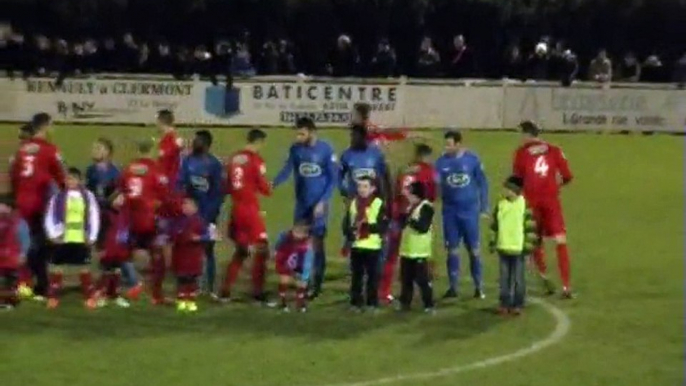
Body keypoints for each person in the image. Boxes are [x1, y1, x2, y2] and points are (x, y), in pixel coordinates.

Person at [272, 117, 336, 299]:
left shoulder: (326, 149)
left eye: (301, 133)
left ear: (311, 132)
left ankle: (316, 284)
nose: (298, 137)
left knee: (316, 244)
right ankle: (301, 281)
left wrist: (323, 201)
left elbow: (333, 179)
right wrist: (273, 183)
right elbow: (287, 169)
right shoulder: (296, 149)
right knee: (298, 244)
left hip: (319, 205)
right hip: (302, 204)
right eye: (297, 133)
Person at [513, 121, 574, 298]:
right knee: (560, 240)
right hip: (551, 201)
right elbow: (568, 176)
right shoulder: (554, 150)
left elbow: (517, 180)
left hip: (531, 202)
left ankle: (544, 277)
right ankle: (566, 286)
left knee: (535, 240)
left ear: (526, 134)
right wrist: (555, 187)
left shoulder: (521, 153)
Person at [10, 113, 66, 299]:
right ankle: (34, 283)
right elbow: (61, 176)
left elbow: (14, 175)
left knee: (31, 242)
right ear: (45, 127)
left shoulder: (22, 150)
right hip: (41, 202)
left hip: (22, 201)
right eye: (51, 126)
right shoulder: (50, 149)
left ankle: (34, 283)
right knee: (40, 245)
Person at [219, 129, 272, 303]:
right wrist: (269, 187)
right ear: (259, 142)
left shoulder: (234, 158)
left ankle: (225, 291)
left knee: (241, 251)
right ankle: (257, 293)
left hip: (236, 209)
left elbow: (226, 185)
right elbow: (265, 189)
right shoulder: (257, 160)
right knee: (262, 249)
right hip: (250, 210)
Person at [435, 131, 489, 299]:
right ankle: (453, 287)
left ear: (458, 144)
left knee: (474, 250)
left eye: (449, 144)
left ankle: (479, 287)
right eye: (446, 144)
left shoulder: (472, 160)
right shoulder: (441, 162)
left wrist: (484, 206)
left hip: (469, 212)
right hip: (450, 212)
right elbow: (436, 185)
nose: (446, 147)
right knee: (452, 250)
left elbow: (482, 183)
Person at [380, 143, 436, 304]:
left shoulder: (404, 170)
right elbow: (432, 195)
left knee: (392, 255)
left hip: (398, 216)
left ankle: (384, 291)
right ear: (425, 156)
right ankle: (424, 293)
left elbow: (394, 192)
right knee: (420, 255)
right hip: (417, 215)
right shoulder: (428, 172)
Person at [85, 138, 141, 299]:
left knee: (114, 251)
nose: (94, 150)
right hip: (97, 215)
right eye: (94, 147)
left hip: (112, 217)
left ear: (107, 152)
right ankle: (108, 283)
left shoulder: (115, 172)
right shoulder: (90, 171)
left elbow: (119, 195)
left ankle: (128, 281)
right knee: (103, 250)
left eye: (98, 148)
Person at [119, 139, 169, 304]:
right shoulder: (156, 170)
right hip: (148, 219)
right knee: (157, 257)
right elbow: (163, 195)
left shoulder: (128, 169)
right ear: (152, 150)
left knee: (124, 255)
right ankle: (156, 294)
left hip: (129, 219)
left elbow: (121, 189)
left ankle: (132, 285)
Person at [44, 167, 100, 309]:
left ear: (80, 180)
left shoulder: (88, 196)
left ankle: (89, 296)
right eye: (68, 178)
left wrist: (92, 235)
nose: (70, 181)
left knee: (84, 268)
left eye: (73, 178)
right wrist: (53, 235)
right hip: (63, 238)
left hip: (81, 238)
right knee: (57, 268)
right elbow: (50, 216)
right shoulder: (58, 197)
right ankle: (53, 297)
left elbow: (94, 216)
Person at [177, 130, 224, 294]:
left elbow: (218, 192)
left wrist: (210, 216)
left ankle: (210, 286)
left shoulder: (214, 164)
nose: (195, 143)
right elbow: (180, 183)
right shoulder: (188, 161)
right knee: (189, 249)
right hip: (190, 216)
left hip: (208, 213)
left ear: (206, 144)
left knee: (208, 250)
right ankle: (191, 284)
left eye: (199, 140)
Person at [488, 176, 538, 315]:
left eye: (507, 188)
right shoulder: (500, 205)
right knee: (504, 279)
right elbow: (494, 226)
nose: (504, 191)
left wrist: (528, 250)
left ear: (514, 190)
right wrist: (493, 242)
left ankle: (518, 304)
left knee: (518, 279)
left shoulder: (524, 206)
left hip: (518, 250)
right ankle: (504, 303)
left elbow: (530, 229)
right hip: (503, 248)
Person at [339, 124, 391, 258]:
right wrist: (344, 192)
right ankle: (354, 262)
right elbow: (339, 175)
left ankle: (377, 262)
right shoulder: (347, 155)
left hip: (374, 200)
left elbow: (385, 175)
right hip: (354, 200)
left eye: (354, 136)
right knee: (351, 229)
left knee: (377, 229)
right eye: (351, 135)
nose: (351, 139)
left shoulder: (376, 154)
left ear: (363, 137)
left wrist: (386, 196)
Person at [343, 176, 388, 312]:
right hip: (357, 246)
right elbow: (346, 223)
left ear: (373, 189)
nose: (361, 189)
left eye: (365, 186)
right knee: (356, 277)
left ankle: (372, 303)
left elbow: (383, 226)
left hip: (372, 246)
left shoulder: (379, 203)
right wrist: (349, 232)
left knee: (373, 277)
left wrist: (366, 227)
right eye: (359, 186)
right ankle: (356, 302)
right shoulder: (353, 203)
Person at [171, 197, 216, 313]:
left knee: (191, 279)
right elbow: (172, 234)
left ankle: (190, 301)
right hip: (180, 255)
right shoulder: (178, 221)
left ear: (195, 208)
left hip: (193, 256)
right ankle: (181, 301)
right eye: (184, 205)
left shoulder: (199, 221)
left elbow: (208, 235)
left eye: (189, 205)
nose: (185, 208)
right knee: (182, 279)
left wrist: (199, 238)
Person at [398, 181, 435, 313]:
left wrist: (409, 220)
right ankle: (405, 304)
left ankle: (429, 305)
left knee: (423, 280)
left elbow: (423, 227)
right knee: (406, 280)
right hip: (407, 250)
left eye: (409, 191)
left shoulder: (426, 207)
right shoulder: (410, 207)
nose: (406, 194)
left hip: (420, 252)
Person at [95, 194, 133, 308]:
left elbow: (126, 231)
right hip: (108, 247)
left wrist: (127, 246)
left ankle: (115, 295)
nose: (121, 201)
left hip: (119, 248)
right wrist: (100, 247)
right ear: (112, 199)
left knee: (117, 271)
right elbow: (101, 231)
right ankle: (102, 295)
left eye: (122, 198)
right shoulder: (106, 214)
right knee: (106, 271)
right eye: (118, 198)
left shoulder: (124, 214)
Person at [274, 221, 315, 313]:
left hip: (300, 261)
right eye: (297, 232)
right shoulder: (285, 237)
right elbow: (278, 248)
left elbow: (309, 254)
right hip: (286, 259)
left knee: (302, 283)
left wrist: (307, 269)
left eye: (302, 233)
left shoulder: (307, 243)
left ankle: (301, 304)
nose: (299, 235)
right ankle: (283, 303)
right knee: (284, 281)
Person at [0, 194, 31, 310]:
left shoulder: (19, 222)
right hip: (2, 256)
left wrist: (23, 254)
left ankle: (11, 301)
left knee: (11, 281)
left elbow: (25, 239)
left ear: (9, 208)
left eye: (2, 206)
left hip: (12, 257)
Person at [156, 109, 184, 189]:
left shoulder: (172, 138)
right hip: (165, 179)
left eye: (157, 121)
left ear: (161, 122)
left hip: (169, 181)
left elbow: (167, 158)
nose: (156, 124)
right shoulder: (167, 138)